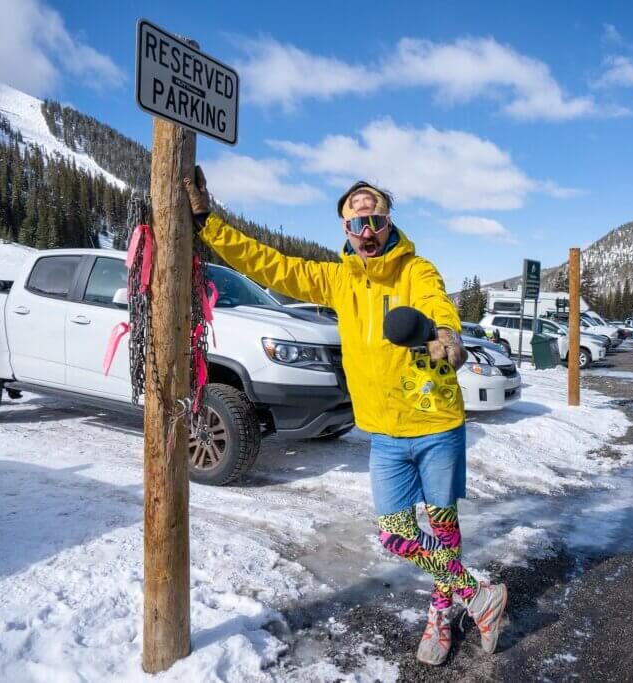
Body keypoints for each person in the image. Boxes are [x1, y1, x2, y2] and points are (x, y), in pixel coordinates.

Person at [183, 170, 508, 666]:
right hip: (384, 432)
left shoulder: (415, 271)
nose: (368, 231)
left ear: (388, 221)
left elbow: (438, 304)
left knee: (442, 529)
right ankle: (478, 595)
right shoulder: (338, 279)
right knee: (396, 532)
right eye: (357, 224)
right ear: (346, 231)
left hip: (434, 424)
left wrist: (447, 334)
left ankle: (442, 616)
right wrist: (208, 221)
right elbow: (268, 265)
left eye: (375, 219)